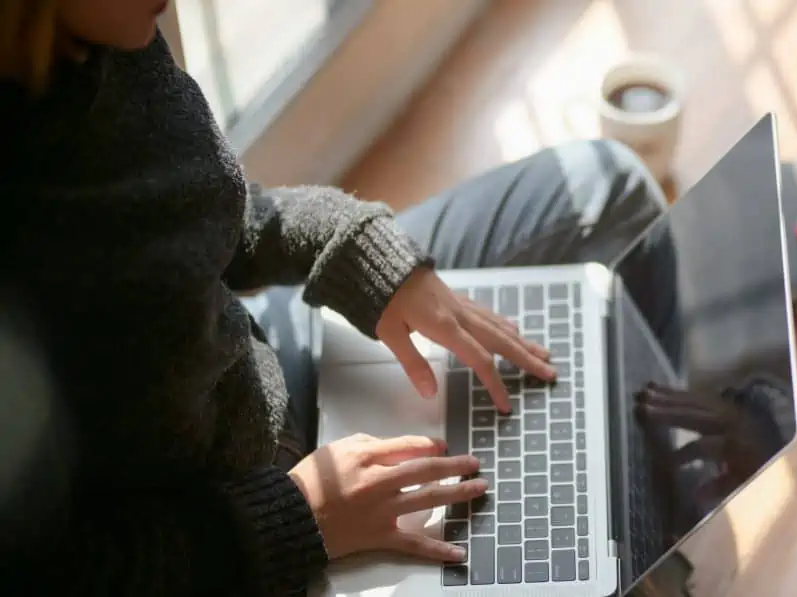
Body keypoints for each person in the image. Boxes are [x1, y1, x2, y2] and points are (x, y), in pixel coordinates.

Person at [0, 1, 671, 595]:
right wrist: (299, 516)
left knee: (609, 188)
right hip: (238, 543)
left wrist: (367, 259)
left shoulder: (106, 36)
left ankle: (652, 535)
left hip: (262, 378)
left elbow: (211, 224)